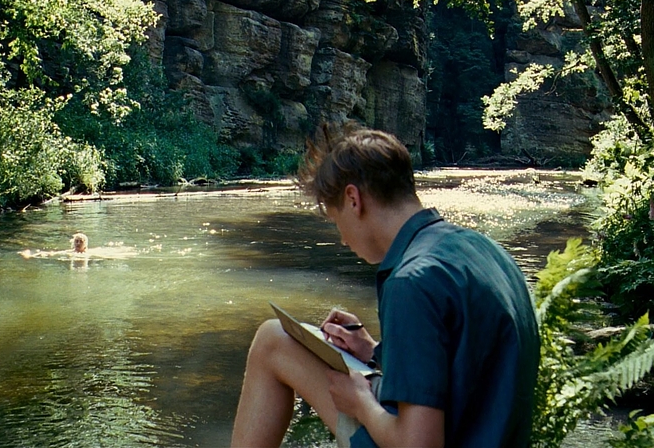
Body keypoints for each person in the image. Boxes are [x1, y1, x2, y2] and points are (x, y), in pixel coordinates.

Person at [230, 124, 540, 448]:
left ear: (353, 199)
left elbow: (420, 445)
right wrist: (375, 352)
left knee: (273, 341)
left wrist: (361, 403)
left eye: (336, 220)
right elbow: (467, 373)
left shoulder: (411, 282)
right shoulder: (488, 253)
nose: (342, 238)